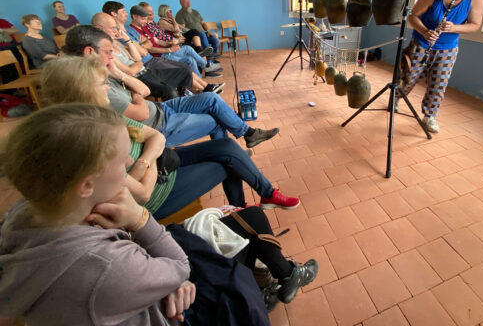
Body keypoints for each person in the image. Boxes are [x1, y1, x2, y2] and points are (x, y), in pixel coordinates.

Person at [0, 103, 317, 324]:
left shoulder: (26, 213)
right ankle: (279, 278)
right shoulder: (102, 267)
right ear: (86, 185)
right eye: (120, 160)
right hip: (174, 312)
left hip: (140, 287)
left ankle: (280, 272)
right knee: (252, 222)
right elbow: (178, 266)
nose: (127, 164)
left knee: (240, 207)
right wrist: (140, 222)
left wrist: (160, 280)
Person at [41, 55, 301, 216]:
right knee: (231, 163)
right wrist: (148, 159)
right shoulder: (85, 143)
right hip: (157, 195)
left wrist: (146, 160)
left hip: (161, 163)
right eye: (101, 85)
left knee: (225, 146)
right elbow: (141, 193)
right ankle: (242, 212)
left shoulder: (102, 115)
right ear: (80, 92)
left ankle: (264, 195)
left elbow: (155, 137)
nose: (108, 89)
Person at [63, 26, 280, 149]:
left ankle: (248, 133)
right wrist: (130, 87)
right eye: (108, 52)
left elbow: (145, 92)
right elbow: (139, 108)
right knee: (215, 121)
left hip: (161, 110)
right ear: (89, 52)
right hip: (159, 125)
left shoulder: (104, 71)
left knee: (210, 99)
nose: (112, 56)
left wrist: (120, 74)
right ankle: (227, 153)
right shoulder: (94, 87)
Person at [395, 0, 483, 133]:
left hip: (447, 49)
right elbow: (413, 17)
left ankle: (429, 116)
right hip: (421, 43)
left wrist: (454, 27)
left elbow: (475, 25)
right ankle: (395, 99)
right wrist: (425, 31)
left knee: (438, 85)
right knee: (407, 78)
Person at [91, 12, 223, 97]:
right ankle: (205, 73)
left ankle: (205, 88)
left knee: (187, 61)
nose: (116, 31)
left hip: (146, 65)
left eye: (117, 28)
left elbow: (139, 55)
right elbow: (137, 60)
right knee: (187, 59)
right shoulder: (103, 50)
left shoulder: (118, 41)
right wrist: (167, 49)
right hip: (146, 67)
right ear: (99, 28)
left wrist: (127, 40)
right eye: (113, 28)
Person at [127, 5, 222, 79]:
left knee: (190, 56)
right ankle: (206, 66)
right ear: (134, 17)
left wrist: (169, 43)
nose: (145, 21)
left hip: (165, 50)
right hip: (160, 56)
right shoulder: (133, 30)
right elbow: (149, 48)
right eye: (143, 19)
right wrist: (169, 49)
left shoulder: (144, 27)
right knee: (189, 50)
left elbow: (157, 41)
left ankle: (201, 80)